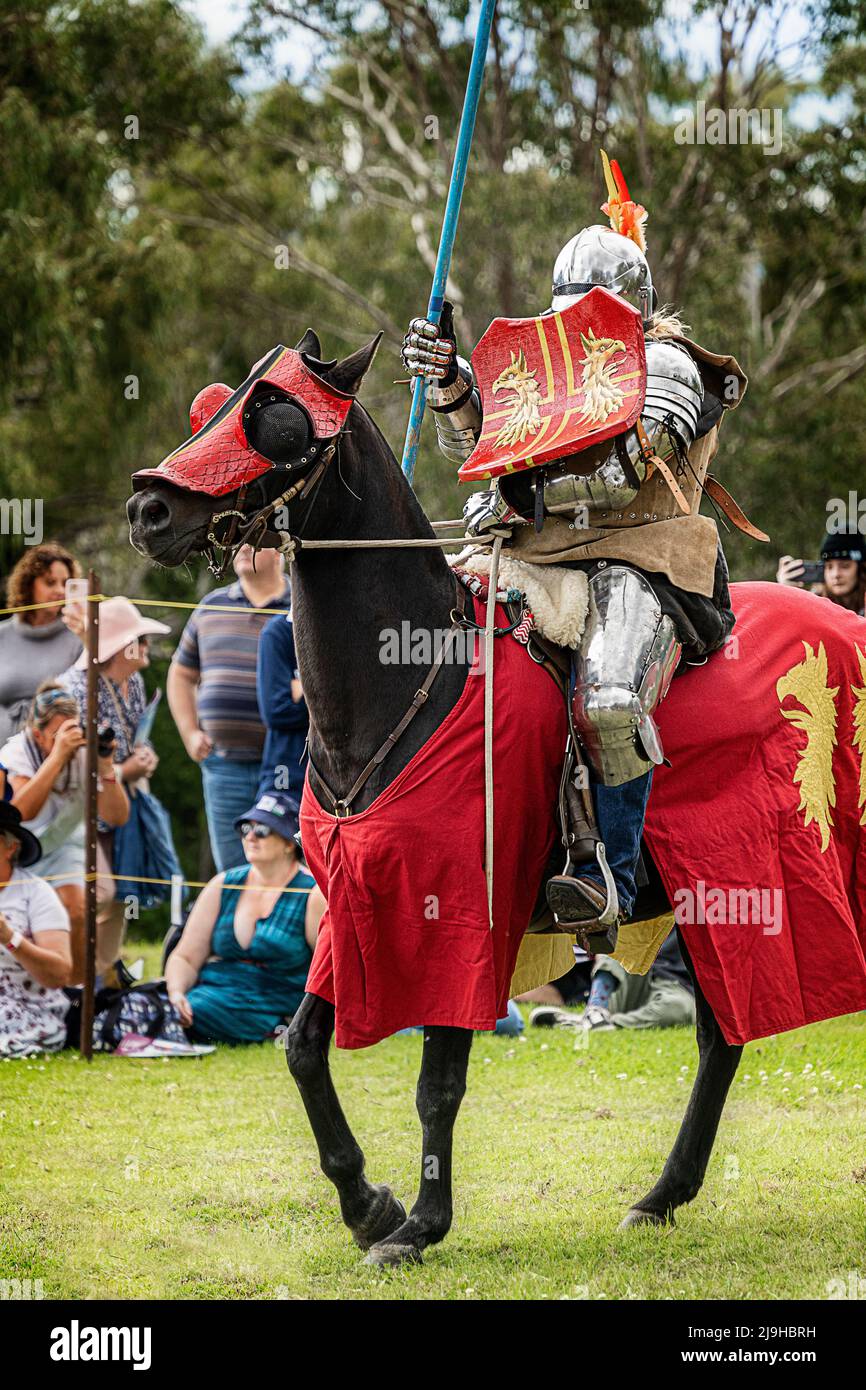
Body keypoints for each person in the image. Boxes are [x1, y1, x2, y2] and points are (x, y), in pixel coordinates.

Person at [401, 151, 761, 953]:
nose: (578, 320)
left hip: (644, 562)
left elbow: (622, 466)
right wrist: (457, 385)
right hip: (537, 556)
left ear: (630, 304)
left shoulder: (667, 364)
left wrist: (517, 492)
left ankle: (609, 876)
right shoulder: (550, 366)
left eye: (594, 305)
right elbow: (494, 441)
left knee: (606, 699)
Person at [61, 597, 170, 975]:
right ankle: (73, 983)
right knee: (98, 894)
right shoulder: (75, 690)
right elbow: (70, 770)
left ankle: (102, 985)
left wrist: (147, 756)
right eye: (139, 638)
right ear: (120, 645)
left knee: (121, 900)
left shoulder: (134, 681)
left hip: (124, 806)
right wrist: (125, 771)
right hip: (82, 812)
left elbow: (138, 735)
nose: (145, 647)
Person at [165, 791, 325, 1044]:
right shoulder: (223, 884)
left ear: (288, 843)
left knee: (158, 1014)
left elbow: (328, 973)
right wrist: (175, 994)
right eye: (246, 828)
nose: (250, 836)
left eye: (262, 830)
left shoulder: (313, 894)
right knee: (153, 1005)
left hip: (270, 1009)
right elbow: (185, 956)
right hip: (209, 994)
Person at [168, 544, 291, 871]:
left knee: (294, 869)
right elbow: (181, 674)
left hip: (290, 764)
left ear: (279, 551)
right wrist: (189, 732)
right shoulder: (211, 607)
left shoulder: (302, 605)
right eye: (239, 542)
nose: (242, 548)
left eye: (255, 541)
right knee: (234, 874)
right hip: (225, 766)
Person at [0, 682, 129, 983]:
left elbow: (117, 816)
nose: (68, 741)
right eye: (57, 735)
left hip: (64, 845)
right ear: (37, 734)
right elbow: (21, 812)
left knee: (77, 908)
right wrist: (57, 757)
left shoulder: (83, 749)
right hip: (16, 845)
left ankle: (78, 990)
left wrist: (106, 767)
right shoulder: (18, 752)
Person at [0, 801, 72, 1057]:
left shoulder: (36, 893)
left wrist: (10, 938)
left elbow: (59, 974)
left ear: (11, 848)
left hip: (27, 1008)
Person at [528, 931, 695, 1032]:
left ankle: (598, 1023)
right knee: (618, 947)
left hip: (678, 985)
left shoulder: (709, 902)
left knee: (678, 1008)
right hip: (639, 972)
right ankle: (596, 1010)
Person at [0, 542, 83, 744]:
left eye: (65, 583)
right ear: (28, 584)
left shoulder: (77, 638)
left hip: (54, 759)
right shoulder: (2, 635)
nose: (59, 590)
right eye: (50, 582)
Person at [256, 612, 309, 800]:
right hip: (287, 779)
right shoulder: (278, 632)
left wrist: (302, 688)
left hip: (341, 782)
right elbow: (276, 712)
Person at [777, 528, 865, 616]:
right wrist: (786, 595)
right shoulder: (813, 605)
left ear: (861, 568)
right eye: (829, 567)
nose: (836, 574)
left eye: (845, 566)